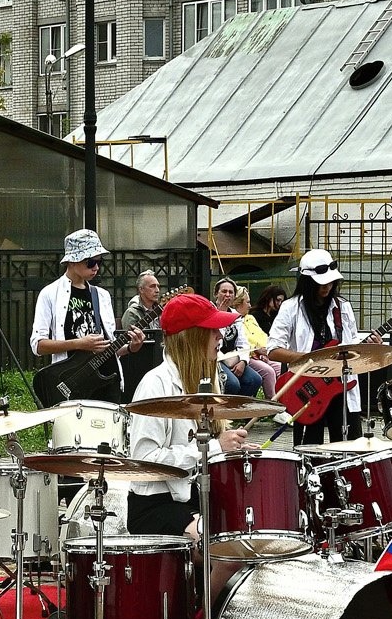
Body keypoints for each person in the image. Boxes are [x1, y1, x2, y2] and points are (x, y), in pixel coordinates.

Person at [125, 293, 253, 537]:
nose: (221, 336)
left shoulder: (206, 378)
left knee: (252, 532)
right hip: (157, 504)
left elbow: (211, 443)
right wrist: (215, 447)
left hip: (193, 496)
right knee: (224, 546)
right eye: (213, 329)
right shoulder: (155, 385)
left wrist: (234, 451)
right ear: (192, 336)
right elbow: (144, 459)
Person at [266, 249, 373, 445]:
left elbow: (352, 344)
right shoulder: (291, 308)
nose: (327, 287)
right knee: (309, 449)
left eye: (331, 282)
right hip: (308, 388)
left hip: (342, 388)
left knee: (348, 448)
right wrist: (308, 358)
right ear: (307, 282)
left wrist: (370, 349)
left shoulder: (343, 307)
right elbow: (273, 350)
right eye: (321, 283)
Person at [31, 229, 141, 392]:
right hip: (71, 383)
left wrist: (132, 347)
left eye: (99, 262)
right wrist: (79, 344)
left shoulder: (102, 296)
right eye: (90, 262)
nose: (96, 267)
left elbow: (109, 347)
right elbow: (38, 345)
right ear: (73, 261)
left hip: (108, 382)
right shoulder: (50, 294)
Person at [214, 279, 266, 397]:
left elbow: (243, 343)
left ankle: (240, 414)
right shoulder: (210, 312)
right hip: (216, 359)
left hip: (235, 358)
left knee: (255, 380)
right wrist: (220, 315)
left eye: (231, 292)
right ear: (216, 294)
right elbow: (216, 339)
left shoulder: (236, 316)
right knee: (232, 384)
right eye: (224, 291)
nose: (227, 295)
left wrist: (243, 361)